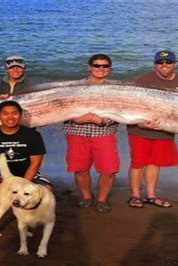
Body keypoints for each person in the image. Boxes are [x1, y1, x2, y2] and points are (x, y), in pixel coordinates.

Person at [127, 50, 178, 208]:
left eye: (168, 62)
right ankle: (135, 196)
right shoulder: (142, 80)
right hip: (139, 130)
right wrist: (139, 122)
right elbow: (128, 103)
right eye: (160, 62)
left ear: (174, 64)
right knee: (138, 163)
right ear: (155, 64)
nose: (164, 65)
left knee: (155, 163)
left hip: (165, 131)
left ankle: (151, 195)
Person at [0, 100, 52, 215]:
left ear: (20, 115)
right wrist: (1, 188)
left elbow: (35, 164)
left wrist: (22, 187)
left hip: (25, 176)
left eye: (14, 113)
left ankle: (23, 204)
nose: (10, 117)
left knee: (47, 191)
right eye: (5, 113)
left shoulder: (33, 135)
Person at [63, 54, 119, 213]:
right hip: (76, 131)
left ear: (110, 68)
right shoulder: (74, 87)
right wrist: (75, 118)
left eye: (105, 66)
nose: (101, 69)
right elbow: (62, 106)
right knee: (80, 168)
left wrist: (102, 121)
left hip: (104, 132)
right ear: (90, 67)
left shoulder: (117, 88)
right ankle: (86, 196)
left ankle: (102, 199)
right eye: (97, 65)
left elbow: (121, 109)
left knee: (108, 170)